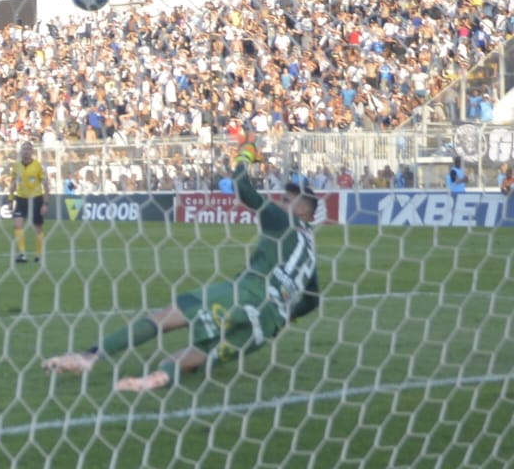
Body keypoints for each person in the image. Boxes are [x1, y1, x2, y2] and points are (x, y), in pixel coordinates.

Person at [41, 138, 321, 391]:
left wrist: (246, 155)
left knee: (168, 316)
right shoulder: (310, 252)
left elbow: (242, 186)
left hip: (248, 291)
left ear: (303, 210)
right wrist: (288, 313)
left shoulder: (283, 220)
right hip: (269, 322)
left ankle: (89, 357)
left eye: (287, 200)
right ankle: (156, 379)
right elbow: (312, 300)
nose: (279, 202)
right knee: (199, 353)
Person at [9, 141, 49, 264]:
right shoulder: (16, 166)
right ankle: (22, 254)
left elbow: (46, 184)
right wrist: (10, 199)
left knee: (38, 227)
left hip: (36, 198)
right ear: (21, 151)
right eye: (24, 149)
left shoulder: (37, 166)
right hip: (21, 198)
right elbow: (13, 183)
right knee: (17, 224)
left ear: (32, 152)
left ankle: (39, 255)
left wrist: (45, 203)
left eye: (28, 149)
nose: (26, 151)